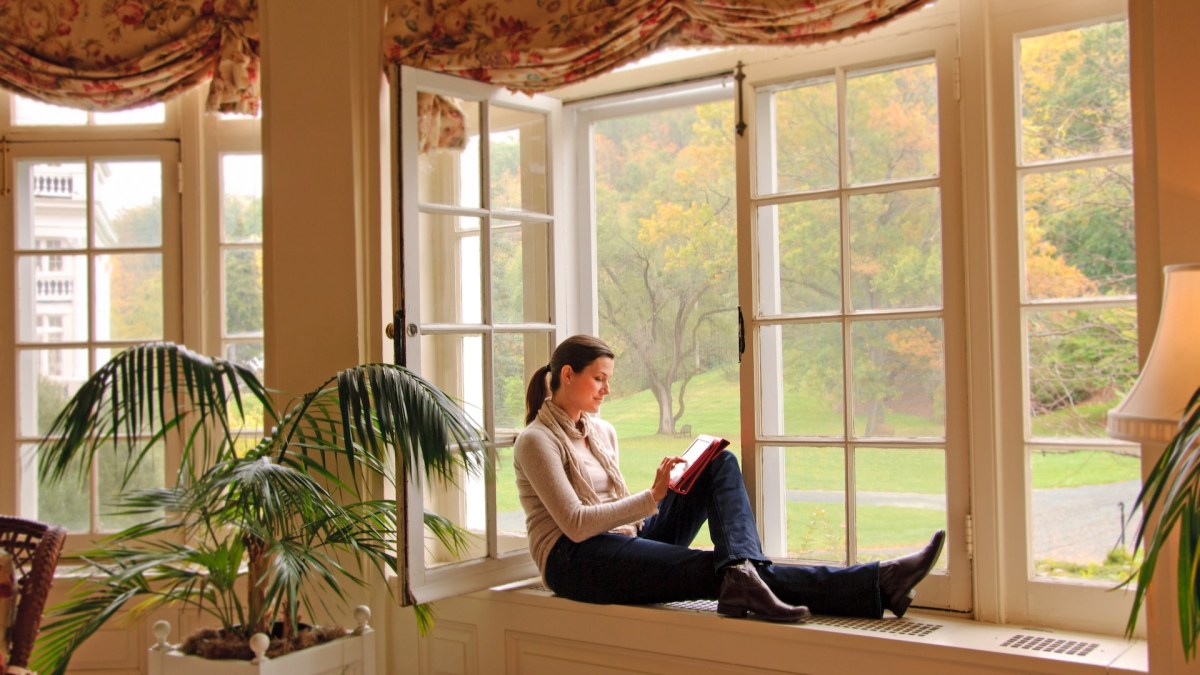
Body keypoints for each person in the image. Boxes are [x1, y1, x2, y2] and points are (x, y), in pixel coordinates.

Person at [513, 334, 946, 622]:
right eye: (599, 379)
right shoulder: (536, 441)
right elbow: (573, 524)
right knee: (715, 568)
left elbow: (624, 515)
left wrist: (666, 491)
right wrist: (652, 496)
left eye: (609, 380)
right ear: (567, 375)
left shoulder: (602, 431)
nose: (607, 389)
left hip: (629, 538)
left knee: (719, 463)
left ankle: (745, 571)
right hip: (574, 561)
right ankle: (877, 581)